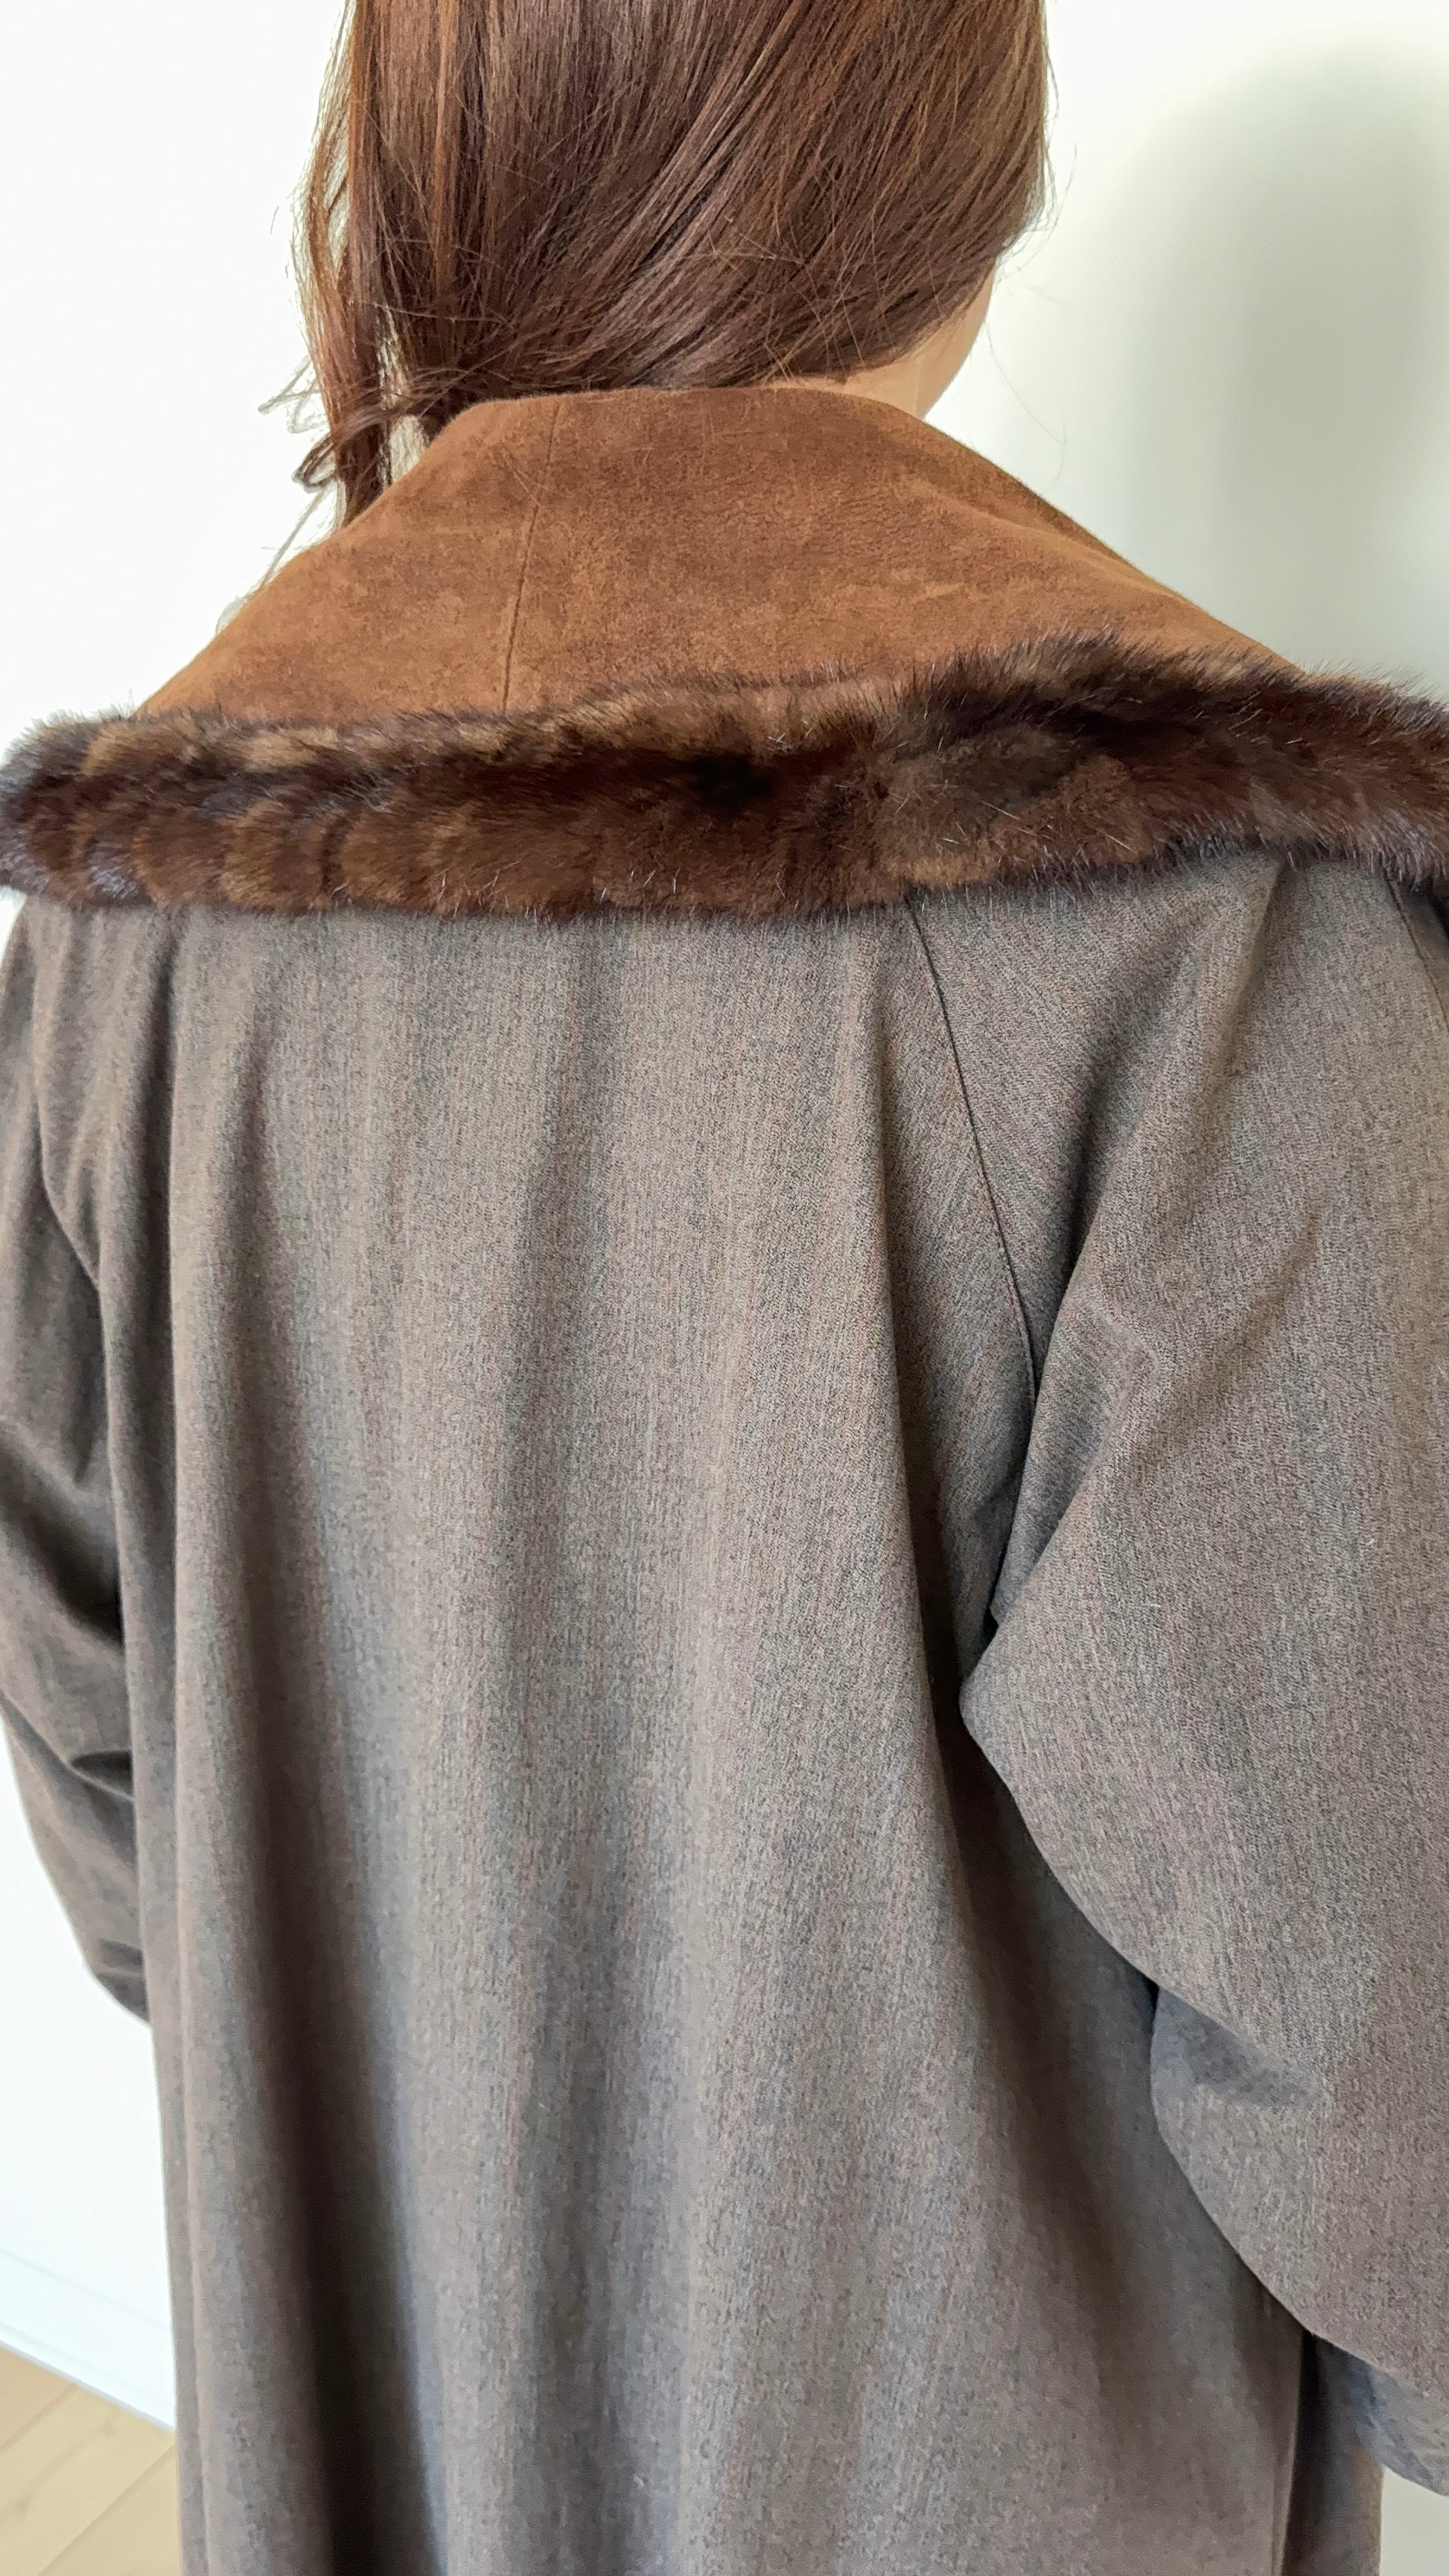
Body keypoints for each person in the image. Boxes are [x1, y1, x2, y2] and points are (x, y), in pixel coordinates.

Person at [0, 1, 1446, 2568]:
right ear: (951, 169)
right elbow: (1381, 2024)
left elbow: (99, 1718)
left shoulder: (143, 906)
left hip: (376, 2382)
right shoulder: (1202, 932)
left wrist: (343, 2041)